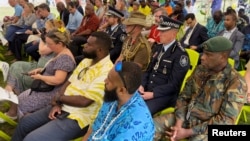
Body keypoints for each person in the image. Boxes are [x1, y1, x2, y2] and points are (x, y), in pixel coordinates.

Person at [11, 31, 114, 141]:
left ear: (100, 50)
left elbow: (85, 101)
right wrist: (57, 103)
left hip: (78, 117)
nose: (84, 46)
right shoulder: (87, 61)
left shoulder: (106, 71)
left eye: (89, 45)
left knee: (32, 139)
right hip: (62, 106)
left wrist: (59, 98)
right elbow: (68, 82)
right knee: (24, 123)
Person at [153, 36, 247, 141]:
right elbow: (184, 97)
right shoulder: (200, 70)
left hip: (208, 129)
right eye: (203, 53)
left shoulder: (235, 82)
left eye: (208, 54)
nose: (202, 57)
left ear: (223, 57)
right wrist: (179, 124)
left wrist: (188, 132)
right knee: (149, 128)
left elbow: (226, 121)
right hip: (186, 117)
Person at [0, 27, 76, 123]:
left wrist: (40, 77)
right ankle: (16, 116)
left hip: (52, 92)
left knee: (23, 102)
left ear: (60, 44)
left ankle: (26, 123)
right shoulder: (61, 53)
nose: (47, 46)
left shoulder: (65, 58)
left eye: (49, 44)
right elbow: (55, 69)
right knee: (20, 97)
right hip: (47, 87)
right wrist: (41, 70)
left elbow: (58, 80)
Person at [82, 61, 155, 140]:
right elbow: (92, 131)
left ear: (121, 90)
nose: (105, 81)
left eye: (109, 80)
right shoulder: (113, 98)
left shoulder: (134, 125)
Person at [139, 15, 189, 115]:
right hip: (147, 90)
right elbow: (148, 71)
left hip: (164, 96)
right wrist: (142, 85)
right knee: (125, 103)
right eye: (160, 30)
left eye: (163, 31)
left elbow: (174, 84)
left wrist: (153, 94)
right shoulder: (159, 48)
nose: (159, 34)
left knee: (141, 113)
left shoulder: (180, 55)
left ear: (174, 33)